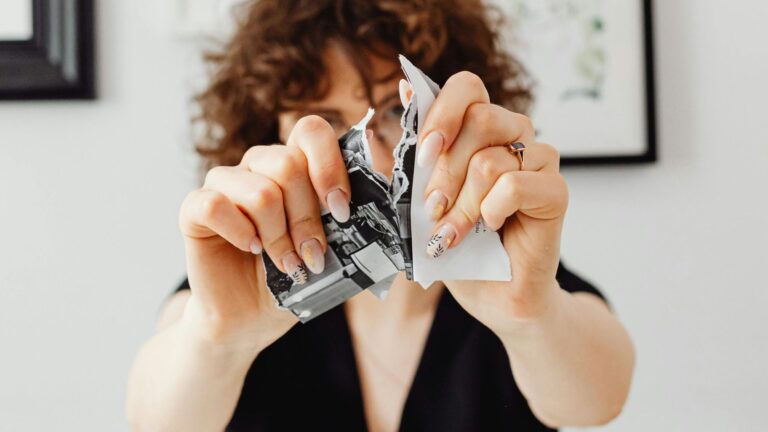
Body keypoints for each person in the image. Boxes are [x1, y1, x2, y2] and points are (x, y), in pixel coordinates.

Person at [126, 0, 635, 430]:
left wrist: (530, 315)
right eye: (324, 120)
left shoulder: (515, 270)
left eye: (397, 113)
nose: (371, 158)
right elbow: (155, 417)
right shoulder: (242, 283)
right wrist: (218, 337)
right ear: (269, 130)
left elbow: (599, 401)